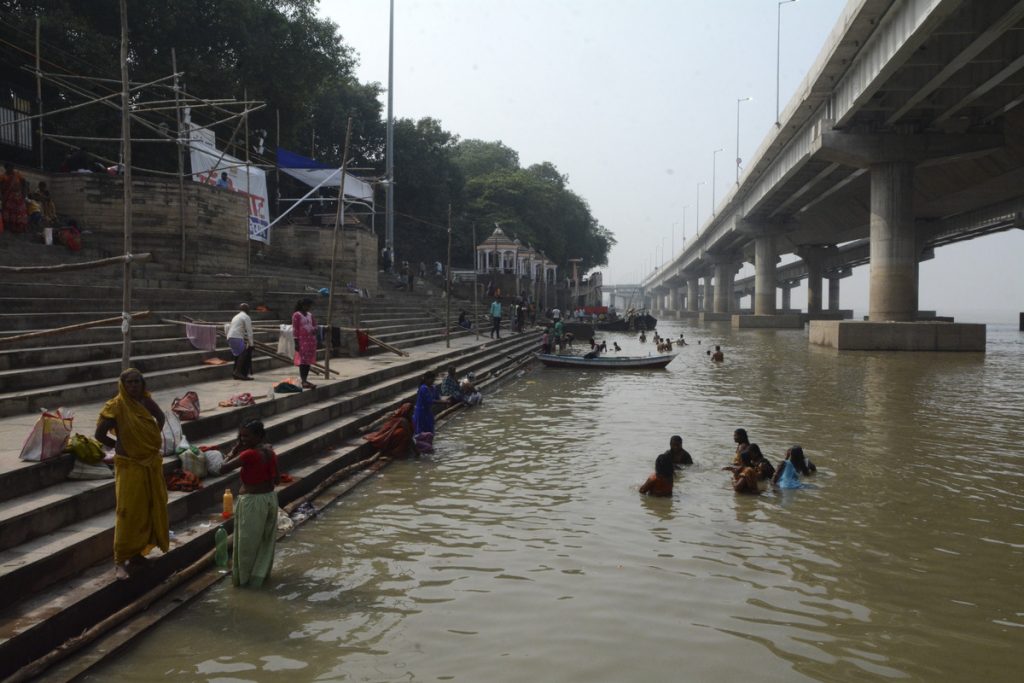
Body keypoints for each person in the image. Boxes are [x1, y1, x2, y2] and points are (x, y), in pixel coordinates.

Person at [94, 369, 168, 580]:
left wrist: (150, 437)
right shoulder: (116, 406)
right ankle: (120, 560)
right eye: (130, 382)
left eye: (137, 382)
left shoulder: (146, 401)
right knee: (127, 512)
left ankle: (136, 555)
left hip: (150, 463)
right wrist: (120, 444)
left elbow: (160, 417)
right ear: (123, 385)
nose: (134, 386)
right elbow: (99, 434)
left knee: (147, 509)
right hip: (129, 466)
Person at [220, 419, 279, 588]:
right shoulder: (269, 451)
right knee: (264, 543)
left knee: (246, 545)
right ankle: (259, 578)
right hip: (269, 499)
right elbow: (276, 478)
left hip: (252, 502)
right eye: (241, 436)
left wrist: (234, 451)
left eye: (247, 436)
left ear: (259, 436)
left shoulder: (249, 454)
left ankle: (244, 582)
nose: (243, 439)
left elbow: (222, 468)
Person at [291, 298, 317, 389]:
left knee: (308, 361)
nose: (309, 307)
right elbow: (295, 329)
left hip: (311, 341)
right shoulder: (296, 315)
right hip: (302, 341)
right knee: (303, 361)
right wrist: (296, 342)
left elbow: (314, 325)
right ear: (302, 306)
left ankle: (305, 379)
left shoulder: (310, 315)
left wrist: (315, 329)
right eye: (307, 306)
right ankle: (304, 380)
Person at [227, 303, 255, 380]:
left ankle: (237, 372)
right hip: (236, 337)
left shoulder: (236, 316)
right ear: (246, 309)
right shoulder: (246, 317)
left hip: (230, 336)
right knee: (243, 353)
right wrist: (251, 344)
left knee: (239, 354)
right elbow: (249, 332)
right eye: (248, 309)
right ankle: (237, 372)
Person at [1, 162, 29, 233]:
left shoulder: (17, 174)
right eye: (9, 167)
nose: (11, 169)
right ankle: (9, 228)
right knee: (8, 212)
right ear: (6, 168)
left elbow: (24, 183)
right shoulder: (3, 176)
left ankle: (21, 228)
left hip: (18, 197)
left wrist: (24, 194)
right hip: (8, 197)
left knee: (20, 212)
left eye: (12, 167)